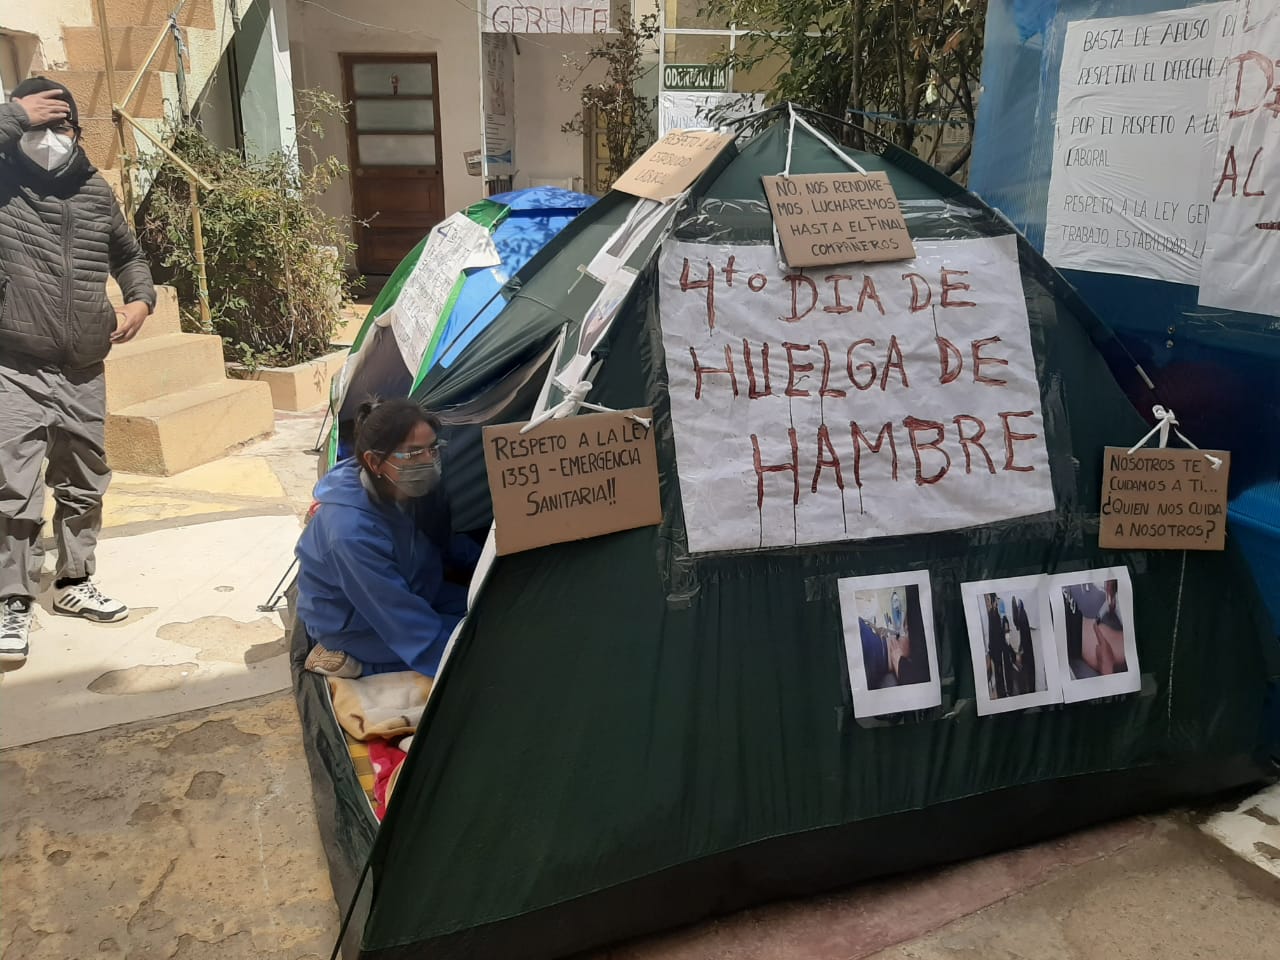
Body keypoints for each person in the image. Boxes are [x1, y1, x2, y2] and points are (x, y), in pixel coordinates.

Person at [1, 78, 155, 666]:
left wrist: (141, 300)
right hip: (13, 360)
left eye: (58, 126)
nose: (48, 139)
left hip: (84, 366)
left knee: (85, 480)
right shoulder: (3, 183)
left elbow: (130, 254)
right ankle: (11, 599)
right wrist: (14, 115)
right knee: (13, 488)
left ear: (74, 132)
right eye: (37, 127)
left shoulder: (94, 189)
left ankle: (74, 582)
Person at [294, 398, 482, 678]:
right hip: (356, 620)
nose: (428, 461)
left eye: (432, 449)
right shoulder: (349, 533)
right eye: (413, 453)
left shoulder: (414, 489)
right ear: (374, 461)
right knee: (475, 650)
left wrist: (490, 564)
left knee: (492, 610)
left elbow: (444, 541)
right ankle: (354, 662)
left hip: (415, 585)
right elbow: (399, 618)